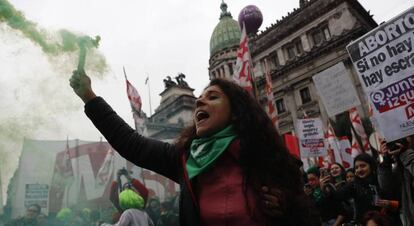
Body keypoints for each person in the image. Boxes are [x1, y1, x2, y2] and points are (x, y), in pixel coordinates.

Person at [69, 70, 311, 226]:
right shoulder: (186, 159)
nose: (199, 101)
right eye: (200, 97)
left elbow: (308, 216)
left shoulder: (269, 159)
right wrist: (89, 97)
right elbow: (132, 144)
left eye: (213, 97)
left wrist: (286, 207)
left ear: (237, 113)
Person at [321, 154, 401, 225]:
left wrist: (391, 204)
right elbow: (337, 196)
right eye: (356, 167)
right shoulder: (354, 185)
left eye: (363, 166)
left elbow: (400, 201)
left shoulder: (383, 180)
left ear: (371, 166)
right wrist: (325, 188)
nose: (359, 170)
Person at [378, 136, 414, 226]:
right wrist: (386, 161)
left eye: (405, 136)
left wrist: (406, 153)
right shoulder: (400, 165)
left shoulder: (406, 157)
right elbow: (386, 186)